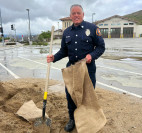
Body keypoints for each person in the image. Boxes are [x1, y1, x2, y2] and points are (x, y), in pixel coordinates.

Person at [47, 4, 105, 132]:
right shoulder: (67, 32)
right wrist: (54, 58)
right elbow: (64, 51)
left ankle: (89, 120)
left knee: (87, 96)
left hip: (87, 69)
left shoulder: (92, 28)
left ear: (83, 15)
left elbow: (101, 47)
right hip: (72, 69)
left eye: (78, 13)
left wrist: (92, 55)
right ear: (70, 16)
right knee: (71, 95)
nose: (76, 15)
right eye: (73, 13)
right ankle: (72, 119)